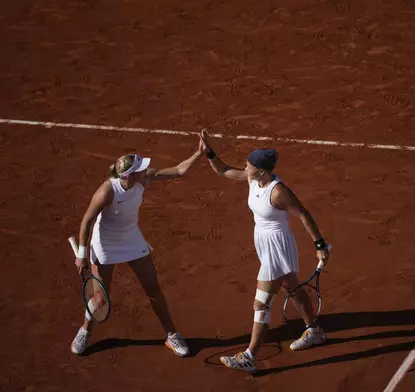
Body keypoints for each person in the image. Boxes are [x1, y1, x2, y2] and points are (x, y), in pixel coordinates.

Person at [198, 129, 331, 373]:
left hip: (277, 246)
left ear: (261, 170)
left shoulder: (278, 191)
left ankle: (249, 356)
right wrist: (209, 152)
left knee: (261, 304)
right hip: (264, 242)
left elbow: (303, 214)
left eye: (248, 165)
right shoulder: (253, 179)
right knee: (292, 288)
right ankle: (314, 331)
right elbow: (225, 170)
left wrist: (320, 245)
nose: (244, 167)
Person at [70, 137, 204, 357]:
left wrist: (199, 153)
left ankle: (172, 336)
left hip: (131, 238)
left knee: (153, 288)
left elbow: (180, 170)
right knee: (100, 298)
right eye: (141, 169)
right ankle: (85, 330)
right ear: (129, 175)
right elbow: (87, 221)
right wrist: (82, 254)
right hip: (105, 243)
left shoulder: (144, 179)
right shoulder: (107, 191)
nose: (146, 170)